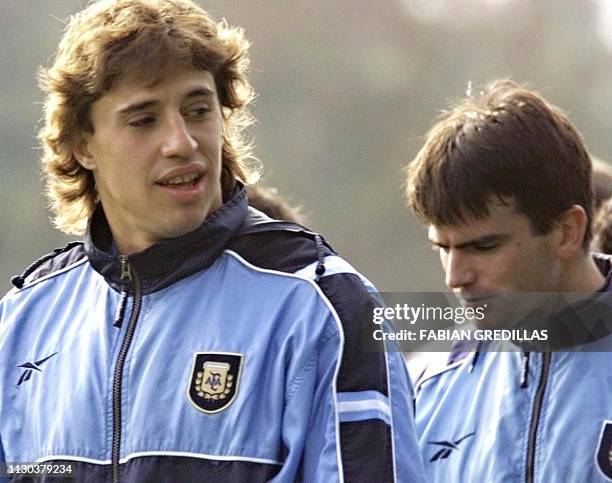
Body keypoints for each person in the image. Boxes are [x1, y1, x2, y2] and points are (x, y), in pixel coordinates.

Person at [0, 1, 425, 482]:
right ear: (82, 144)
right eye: (144, 119)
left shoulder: (323, 307)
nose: (182, 141)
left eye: (198, 110)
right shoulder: (21, 321)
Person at [404, 79, 612, 482]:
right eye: (443, 248)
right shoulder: (422, 387)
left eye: (483, 247)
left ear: (567, 231)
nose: (455, 277)